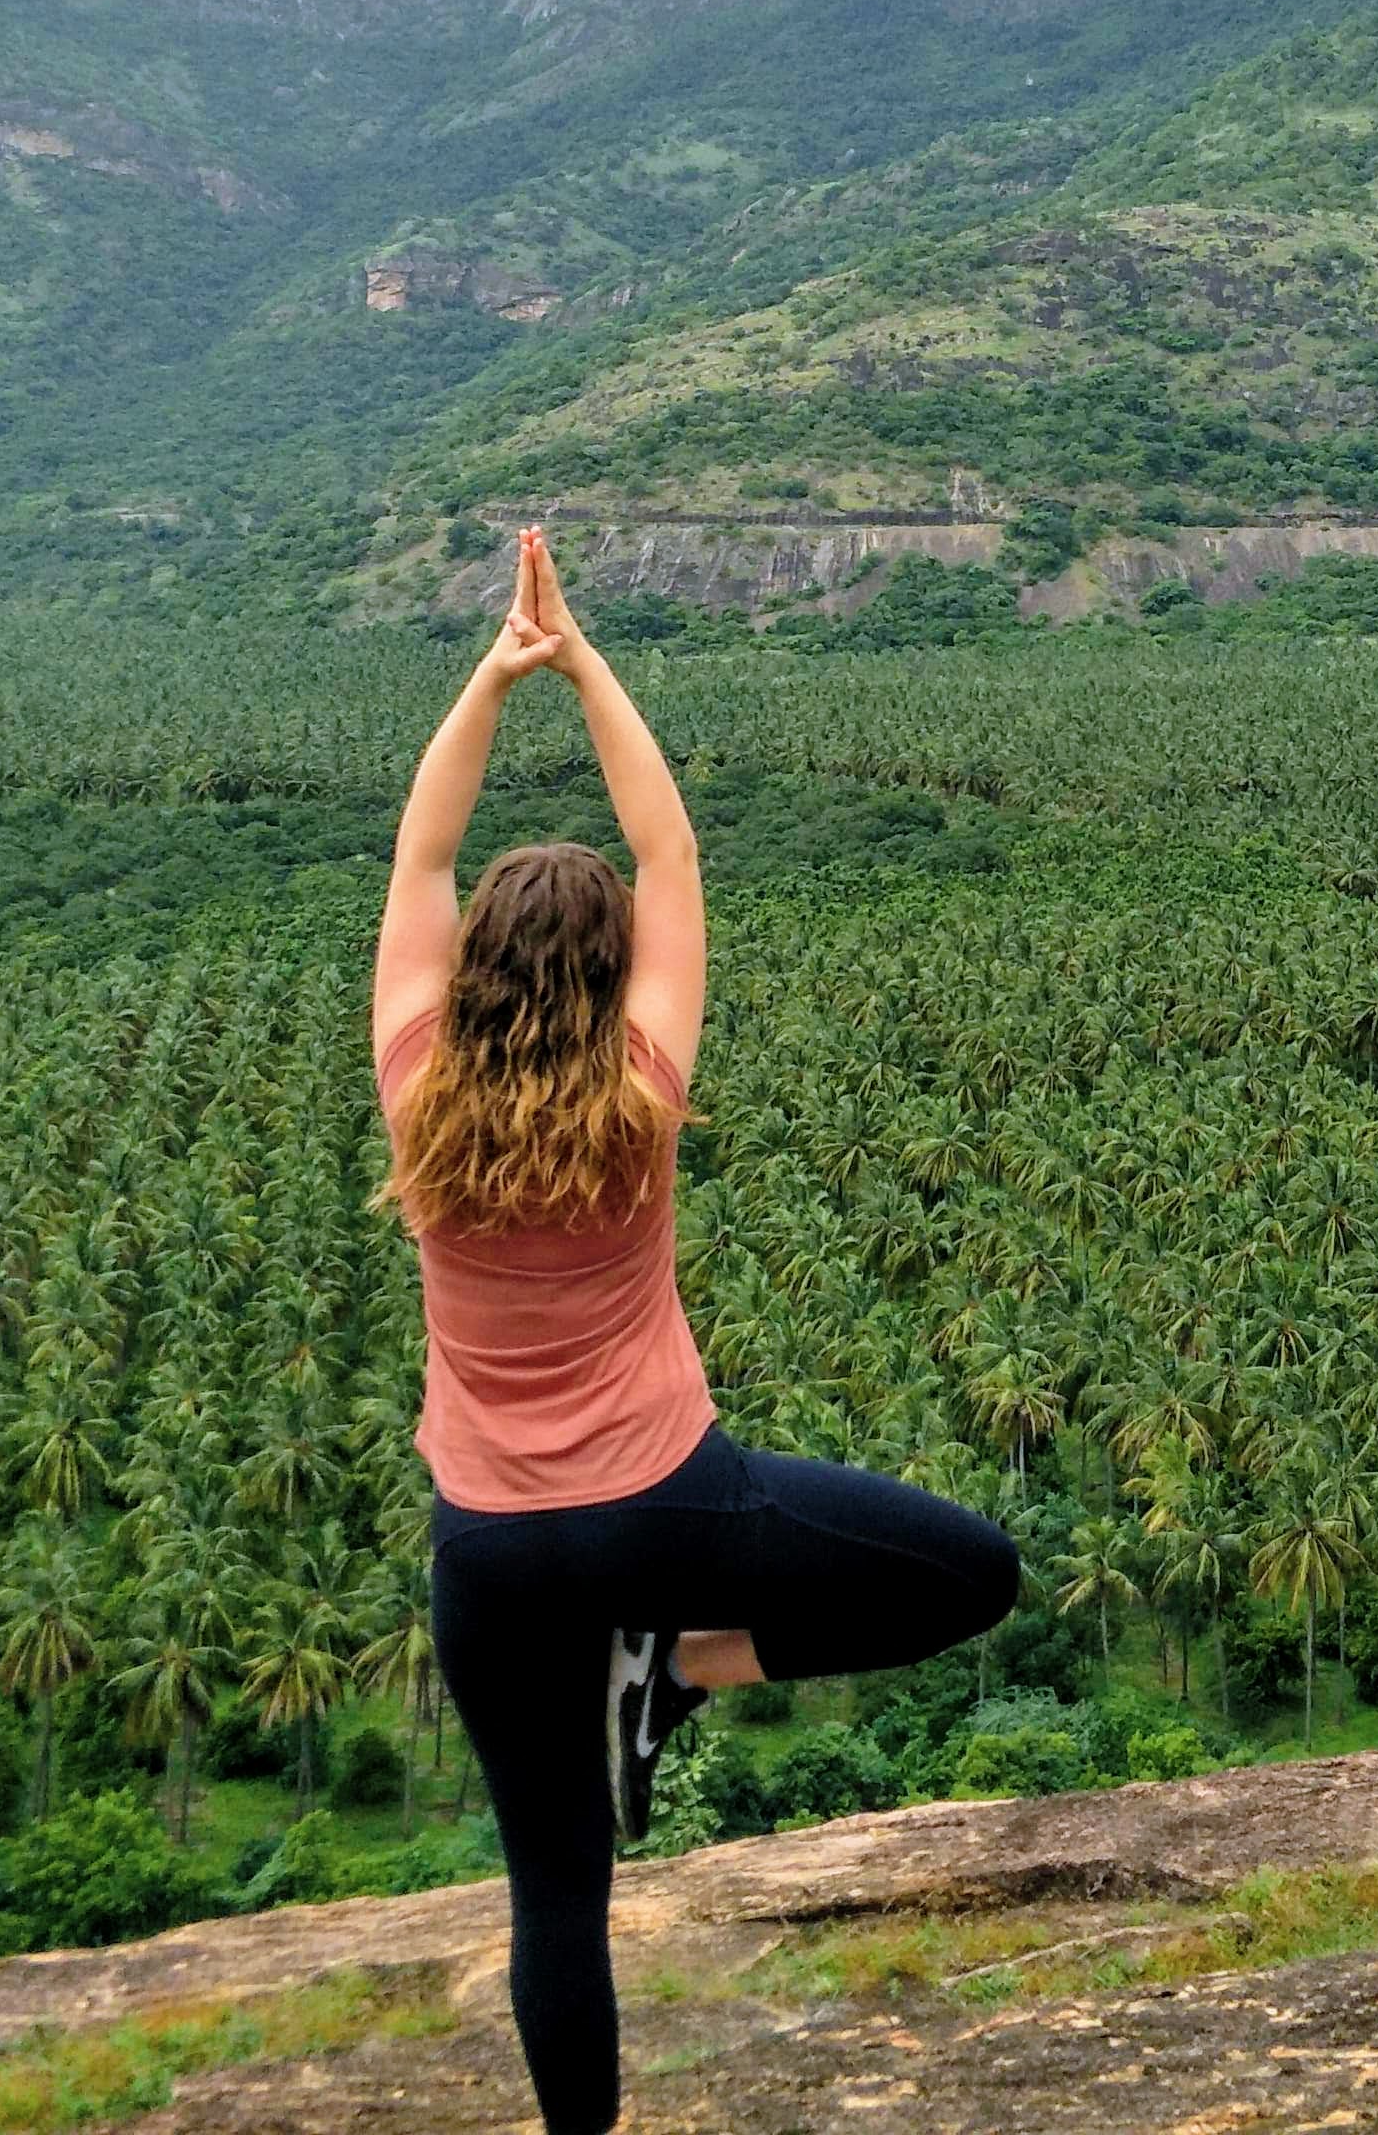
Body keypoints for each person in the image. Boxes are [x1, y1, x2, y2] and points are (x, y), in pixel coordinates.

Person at [374, 527, 1018, 2135]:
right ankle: (686, 1662)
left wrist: (489, 673)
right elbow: (671, 862)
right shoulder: (639, 1098)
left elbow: (419, 864)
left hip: (495, 1554)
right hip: (665, 1504)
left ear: (473, 980)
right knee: (972, 1574)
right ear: (605, 983)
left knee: (555, 1898)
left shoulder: (418, 1095)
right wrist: (584, 662)